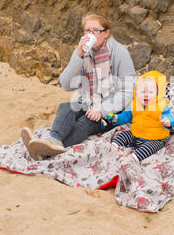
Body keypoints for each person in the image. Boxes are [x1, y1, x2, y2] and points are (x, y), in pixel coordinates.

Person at [21, 12, 136, 160]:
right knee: (66, 108)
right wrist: (79, 55)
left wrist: (101, 109)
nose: (90, 34)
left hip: (112, 110)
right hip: (87, 100)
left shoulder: (120, 52)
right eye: (87, 30)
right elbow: (66, 84)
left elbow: (128, 91)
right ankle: (53, 139)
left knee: (85, 122)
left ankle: (44, 150)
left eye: (95, 30)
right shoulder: (83, 51)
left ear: (106, 33)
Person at [107, 71, 174, 162]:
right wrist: (116, 118)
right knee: (123, 134)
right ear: (136, 93)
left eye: (151, 92)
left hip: (155, 139)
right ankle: (113, 148)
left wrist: (168, 121)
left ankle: (134, 158)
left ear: (157, 94)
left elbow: (169, 116)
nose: (146, 95)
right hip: (136, 135)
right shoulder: (135, 105)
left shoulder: (161, 106)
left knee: (150, 147)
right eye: (142, 92)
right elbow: (126, 116)